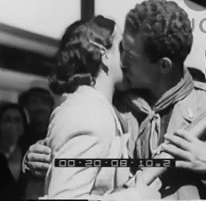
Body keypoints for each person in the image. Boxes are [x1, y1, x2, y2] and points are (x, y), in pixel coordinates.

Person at [24, 0, 206, 199]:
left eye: (132, 54)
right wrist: (35, 157)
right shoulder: (111, 102)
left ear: (163, 65)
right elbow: (72, 157)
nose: (124, 59)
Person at [42, 15, 160, 200]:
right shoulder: (88, 113)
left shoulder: (98, 109)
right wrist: (135, 196)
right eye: (123, 47)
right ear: (105, 56)